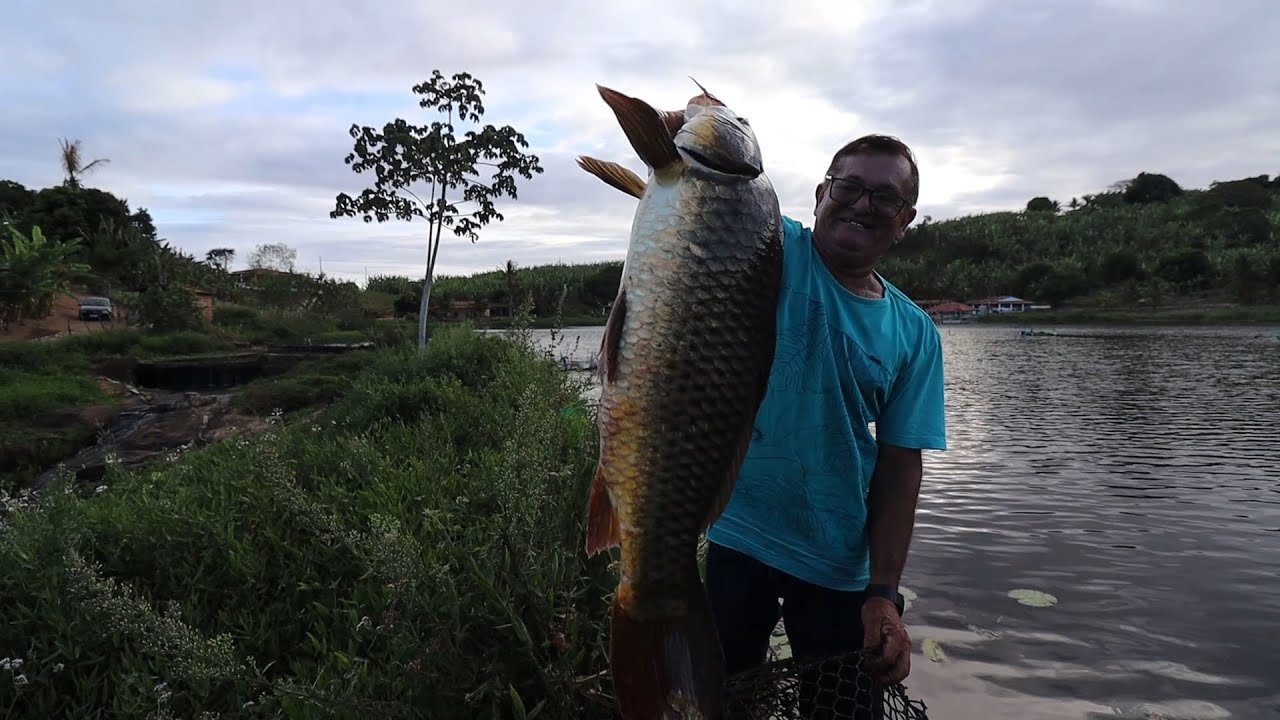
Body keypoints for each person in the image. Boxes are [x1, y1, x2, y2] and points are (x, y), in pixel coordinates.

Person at [705, 134, 948, 718]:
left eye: (885, 198)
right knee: (716, 698)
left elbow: (899, 466)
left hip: (841, 565)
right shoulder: (770, 244)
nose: (863, 205)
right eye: (850, 187)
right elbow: (708, 194)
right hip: (740, 538)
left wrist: (884, 595)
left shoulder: (914, 333)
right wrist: (697, 131)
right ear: (820, 194)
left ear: (904, 221)